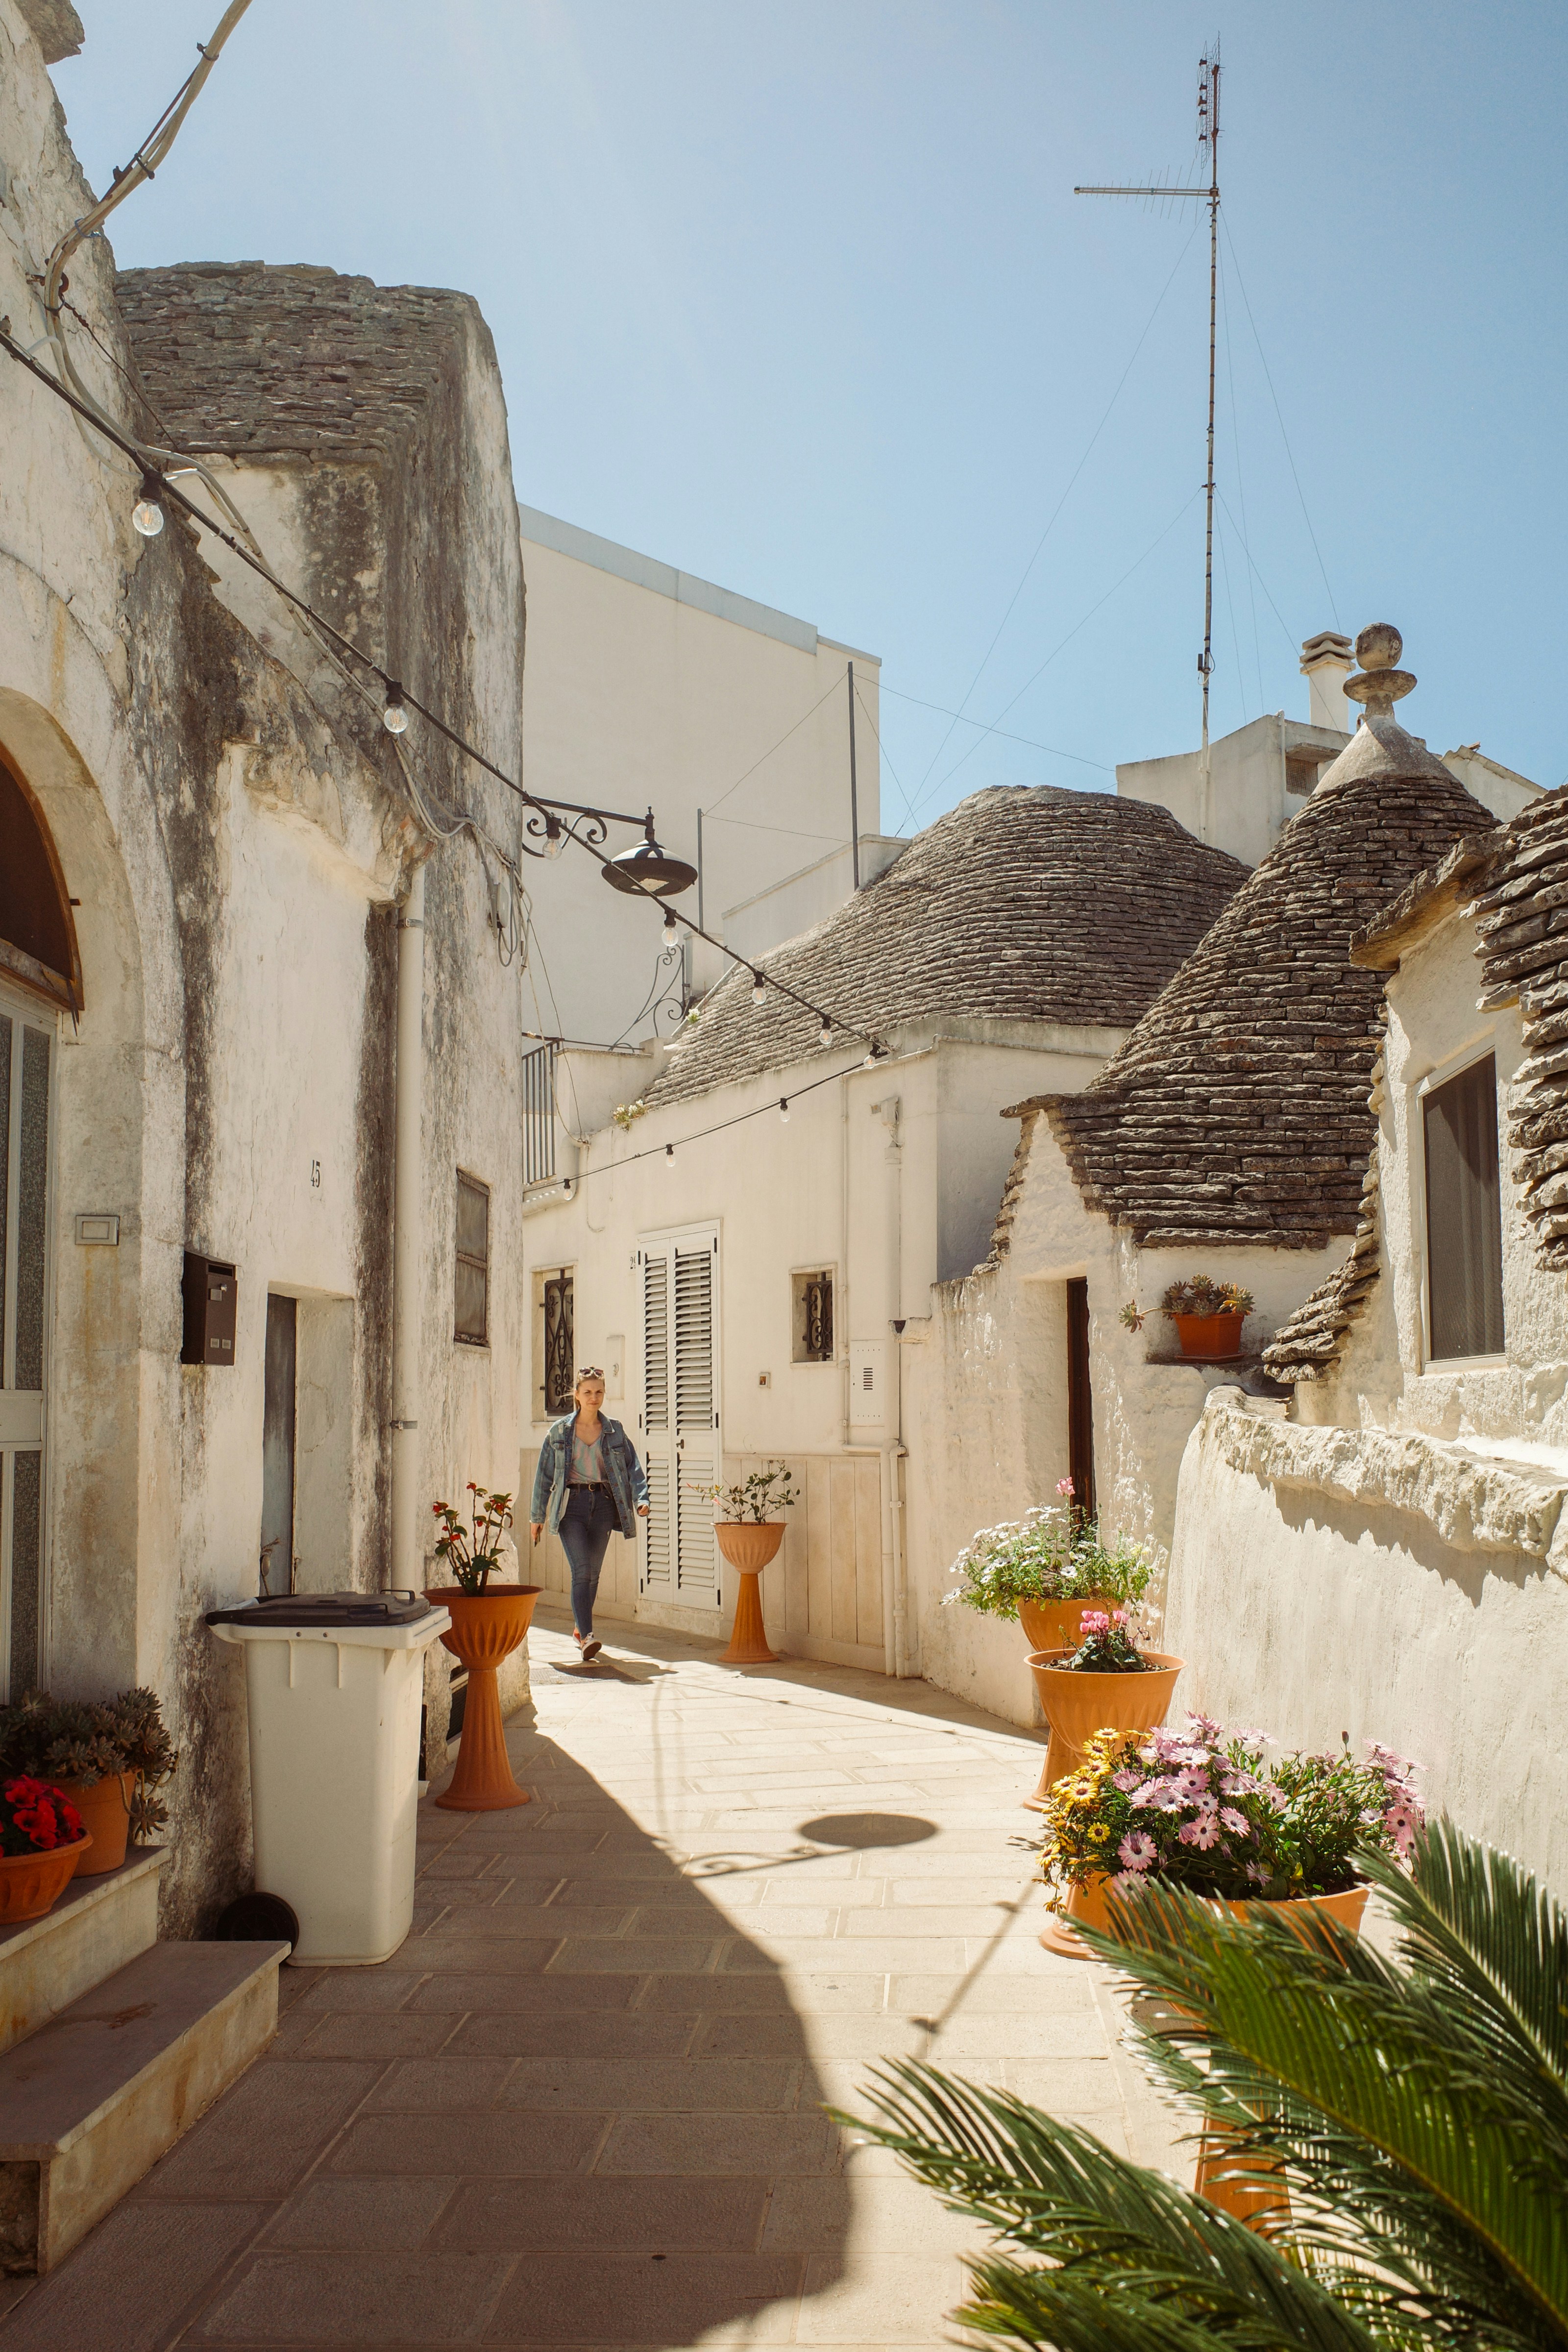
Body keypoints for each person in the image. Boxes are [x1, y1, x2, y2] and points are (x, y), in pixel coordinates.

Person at [530, 1368, 649, 1663]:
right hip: (572, 1506)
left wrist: (641, 1498)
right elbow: (543, 1477)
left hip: (605, 1507)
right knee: (582, 1570)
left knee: (593, 1575)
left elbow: (633, 1468)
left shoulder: (615, 1431)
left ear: (604, 1393)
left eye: (599, 1392)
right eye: (588, 1392)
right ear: (577, 1395)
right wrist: (537, 1517)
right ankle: (588, 1637)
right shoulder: (559, 1432)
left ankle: (579, 1629)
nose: (594, 1398)